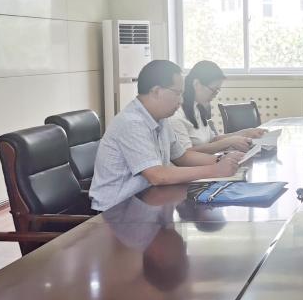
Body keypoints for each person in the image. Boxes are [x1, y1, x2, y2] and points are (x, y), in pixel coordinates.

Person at [89, 60, 243, 212]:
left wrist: (224, 160)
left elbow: (182, 157)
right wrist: (216, 170)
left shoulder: (160, 118)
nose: (181, 100)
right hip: (115, 213)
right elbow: (157, 175)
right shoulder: (132, 123)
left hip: (147, 203)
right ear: (156, 91)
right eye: (177, 93)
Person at [170, 60, 266, 155]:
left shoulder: (198, 107)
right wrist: (229, 142)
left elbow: (212, 140)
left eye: (218, 90)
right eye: (214, 90)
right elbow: (185, 154)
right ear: (196, 84)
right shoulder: (177, 115)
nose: (215, 95)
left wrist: (244, 133)